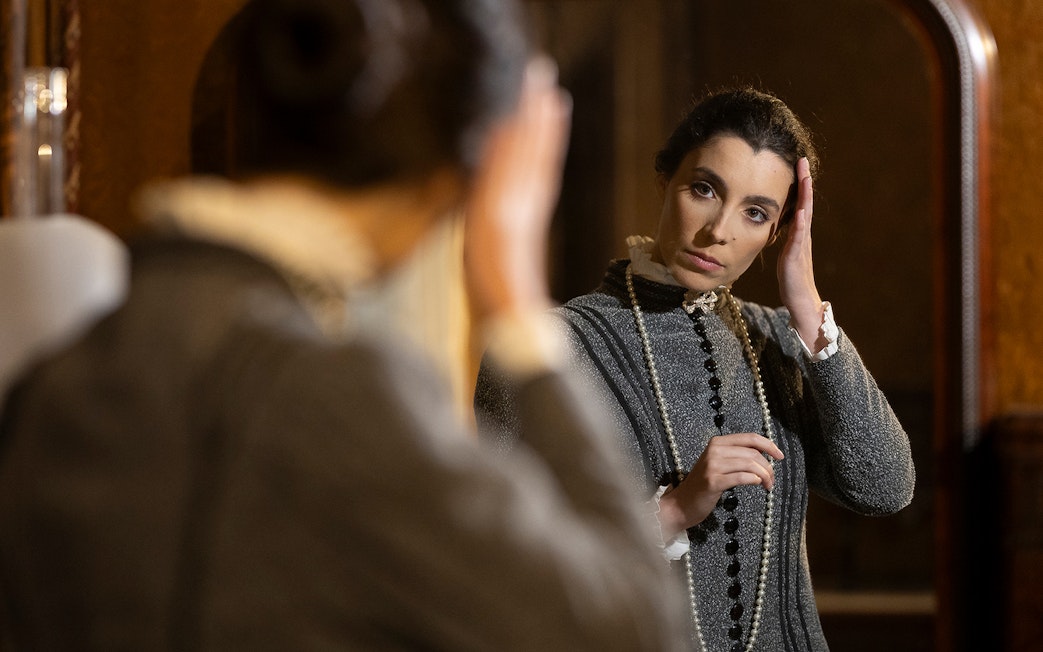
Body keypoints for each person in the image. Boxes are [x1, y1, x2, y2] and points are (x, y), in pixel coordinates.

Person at [0, 0, 690, 649]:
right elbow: (628, 626)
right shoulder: (334, 396)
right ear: (478, 165)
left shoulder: (61, 378)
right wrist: (513, 293)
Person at [475, 86, 916, 651]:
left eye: (756, 213)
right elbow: (502, 561)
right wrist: (672, 509)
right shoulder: (547, 349)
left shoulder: (783, 341)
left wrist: (806, 308)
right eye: (705, 189)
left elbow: (884, 488)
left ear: (777, 232)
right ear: (666, 181)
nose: (720, 232)